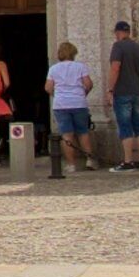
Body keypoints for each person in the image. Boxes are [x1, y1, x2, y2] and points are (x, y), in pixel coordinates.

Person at [44, 38, 96, 179]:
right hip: (78, 102)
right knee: (83, 132)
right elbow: (89, 84)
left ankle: (71, 165)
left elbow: (48, 87)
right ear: (73, 53)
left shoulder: (53, 69)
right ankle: (89, 160)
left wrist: (58, 95)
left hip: (61, 104)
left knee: (66, 135)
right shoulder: (80, 67)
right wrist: (82, 94)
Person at [106, 19, 139, 169]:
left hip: (122, 92)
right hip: (136, 92)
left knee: (125, 127)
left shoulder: (118, 47)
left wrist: (110, 89)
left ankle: (127, 161)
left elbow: (115, 68)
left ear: (117, 33)